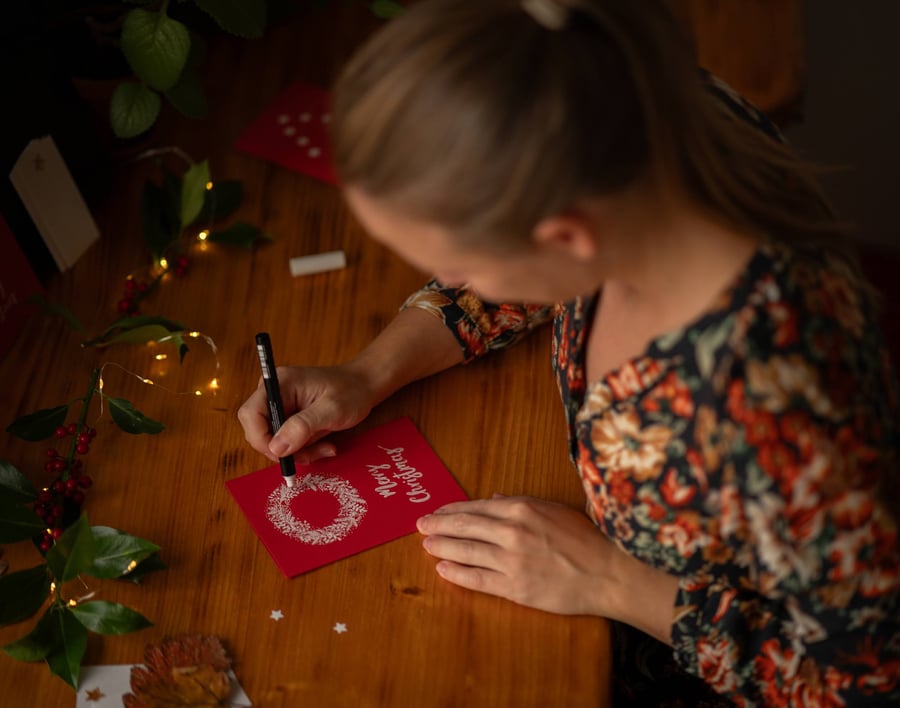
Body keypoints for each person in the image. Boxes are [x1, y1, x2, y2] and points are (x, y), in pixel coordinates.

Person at [238, 0, 900, 704]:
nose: (452, 282)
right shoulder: (622, 116)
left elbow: (861, 680)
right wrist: (371, 371)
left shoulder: (773, 405)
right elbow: (520, 283)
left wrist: (611, 581)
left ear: (566, 236)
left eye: (456, 263)